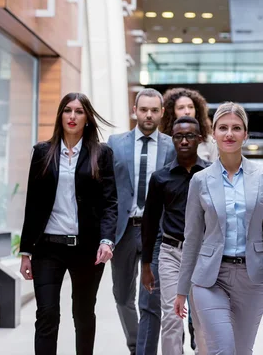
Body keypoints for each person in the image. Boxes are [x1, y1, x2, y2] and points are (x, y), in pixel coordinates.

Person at [173, 102, 263, 355]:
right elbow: (192, 238)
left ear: (245, 134)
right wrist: (182, 290)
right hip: (210, 279)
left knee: (242, 351)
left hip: (253, 278)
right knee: (222, 350)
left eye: (236, 128)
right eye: (222, 127)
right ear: (214, 133)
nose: (229, 133)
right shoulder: (200, 180)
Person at [19, 92, 117, 355]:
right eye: (67, 110)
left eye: (79, 111)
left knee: (83, 315)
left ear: (87, 118)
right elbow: (33, 203)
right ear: (60, 115)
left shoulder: (102, 154)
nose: (72, 116)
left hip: (86, 249)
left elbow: (110, 203)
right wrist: (26, 251)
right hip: (47, 248)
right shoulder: (43, 152)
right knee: (47, 314)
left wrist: (107, 240)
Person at [107, 88, 175, 355]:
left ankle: (143, 351)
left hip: (156, 233)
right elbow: (107, 190)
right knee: (122, 296)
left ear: (161, 113)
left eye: (154, 110)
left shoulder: (171, 146)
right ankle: (136, 344)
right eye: (144, 109)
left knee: (150, 299)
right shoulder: (115, 143)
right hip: (123, 231)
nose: (148, 114)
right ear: (134, 110)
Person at [141, 116, 211, 355]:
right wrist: (146, 264)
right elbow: (149, 222)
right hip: (171, 253)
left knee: (202, 320)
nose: (183, 141)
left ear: (199, 139)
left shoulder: (211, 174)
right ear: (172, 139)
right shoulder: (160, 177)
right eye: (178, 136)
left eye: (189, 136)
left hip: (203, 254)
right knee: (171, 318)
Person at [160, 87, 218, 162]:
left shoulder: (209, 141)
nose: (187, 111)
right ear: (171, 112)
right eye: (181, 108)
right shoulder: (163, 142)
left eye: (191, 107)